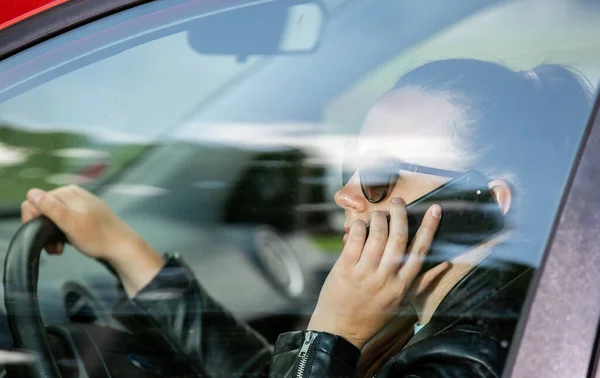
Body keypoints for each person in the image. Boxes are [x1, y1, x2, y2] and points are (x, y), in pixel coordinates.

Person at [20, 59, 592, 377]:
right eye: (351, 167)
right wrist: (123, 246)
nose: (346, 195)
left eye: (380, 176)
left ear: (489, 203)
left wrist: (334, 332)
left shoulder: (471, 362)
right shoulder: (429, 321)